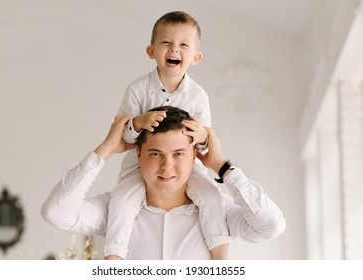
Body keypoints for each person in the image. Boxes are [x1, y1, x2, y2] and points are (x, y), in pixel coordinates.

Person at [41, 105, 286, 260]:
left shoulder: (218, 212)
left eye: (178, 154)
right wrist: (105, 150)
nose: (167, 167)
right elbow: (56, 212)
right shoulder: (113, 209)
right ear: (138, 153)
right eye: (156, 154)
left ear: (194, 155)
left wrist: (222, 166)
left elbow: (271, 225)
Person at [107, 11, 229, 260]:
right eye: (166, 43)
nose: (174, 49)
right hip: (139, 168)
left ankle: (221, 258)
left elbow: (205, 142)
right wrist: (138, 123)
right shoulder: (138, 89)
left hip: (188, 169)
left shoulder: (198, 96)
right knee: (121, 202)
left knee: (212, 198)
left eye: (184, 45)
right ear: (151, 51)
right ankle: (114, 259)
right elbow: (122, 136)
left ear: (196, 57)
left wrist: (202, 135)